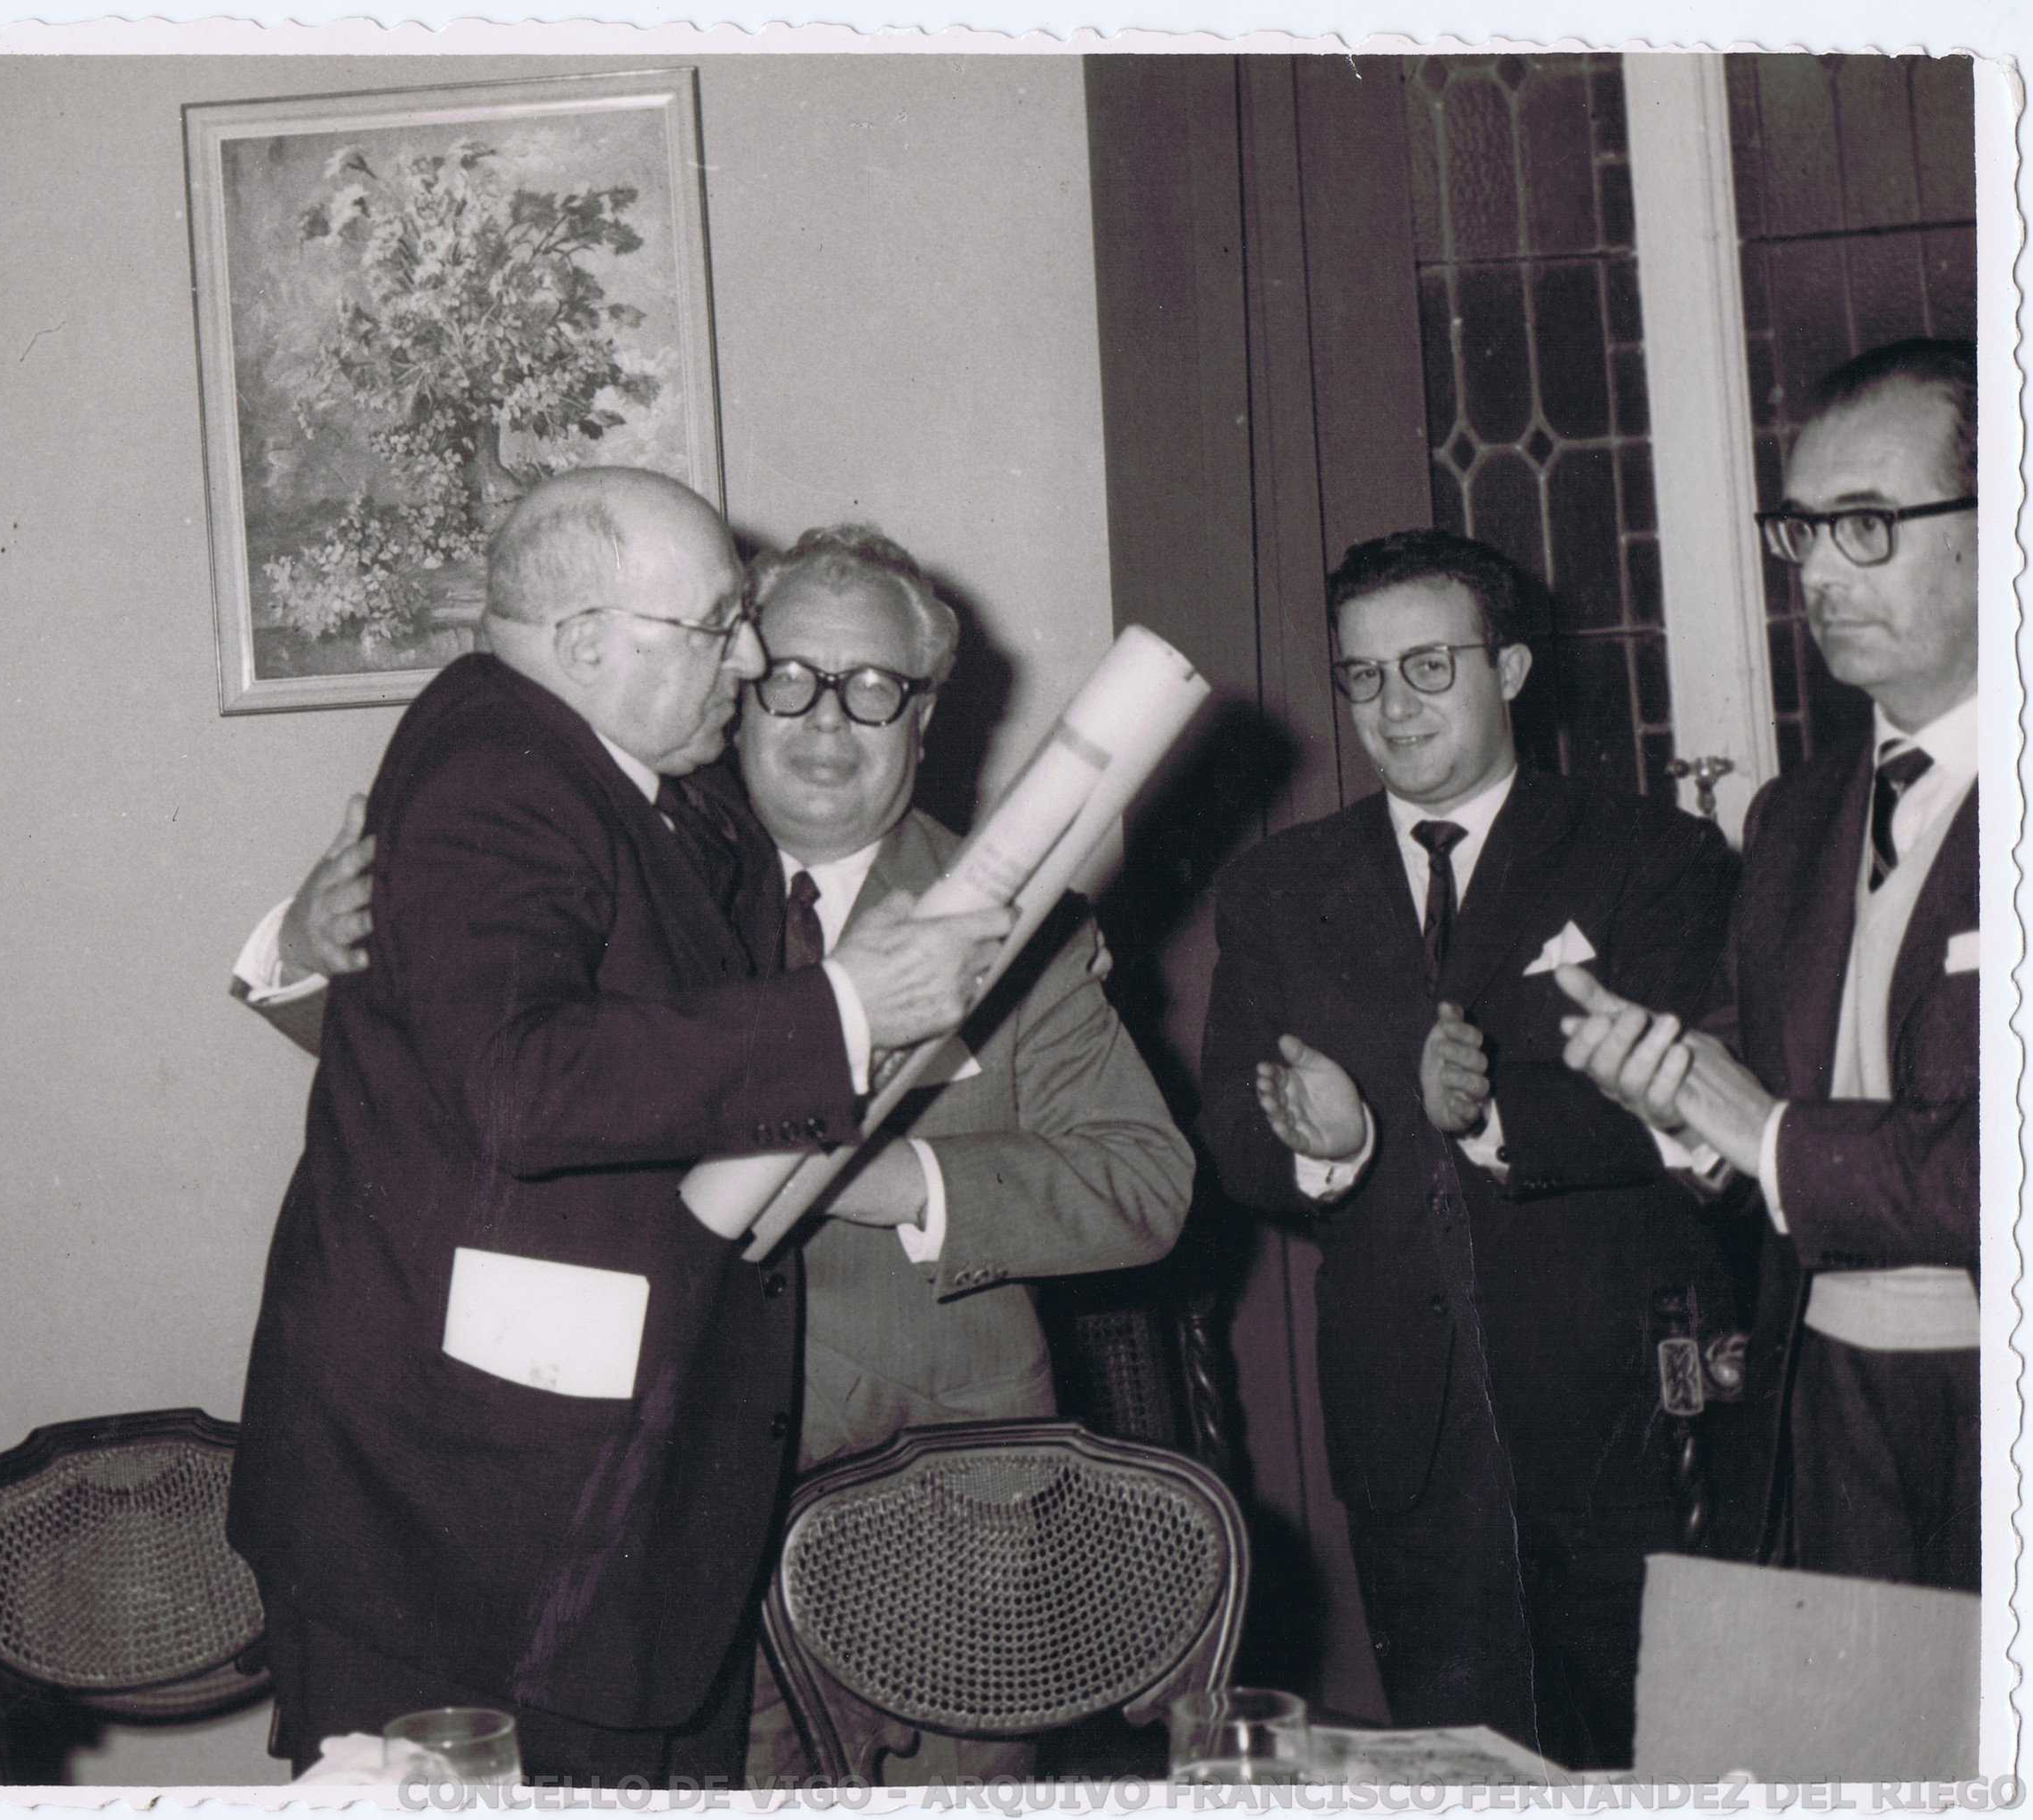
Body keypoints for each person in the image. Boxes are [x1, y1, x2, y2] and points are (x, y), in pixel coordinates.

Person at [238, 525, 1195, 1783]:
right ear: (737, 688)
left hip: (938, 1513)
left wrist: (900, 1184)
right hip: (674, 1518)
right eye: (789, 678)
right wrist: (306, 950)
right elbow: (478, 1079)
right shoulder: (647, 865)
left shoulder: (1017, 922)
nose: (825, 722)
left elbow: (1146, 1184)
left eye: (874, 689)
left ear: (925, 717)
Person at [1194, 528, 1750, 1770]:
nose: (1392, 707)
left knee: (1660, 1764)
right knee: (1464, 1770)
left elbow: (1701, 1102)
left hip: (1622, 1417)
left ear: (1510, 669)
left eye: (1429, 667)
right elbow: (1231, 1132)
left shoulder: (1651, 855)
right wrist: (1330, 1149)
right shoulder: (1279, 888)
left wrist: (1495, 1113)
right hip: (1410, 1434)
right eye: (1363, 675)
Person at [1556, 339, 1978, 1593]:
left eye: (1867, 526)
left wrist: (1764, 1131)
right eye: (1803, 531)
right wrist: (1672, 1098)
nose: (1821, 574)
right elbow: (1739, 1095)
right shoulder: (1792, 819)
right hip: (1822, 1402)